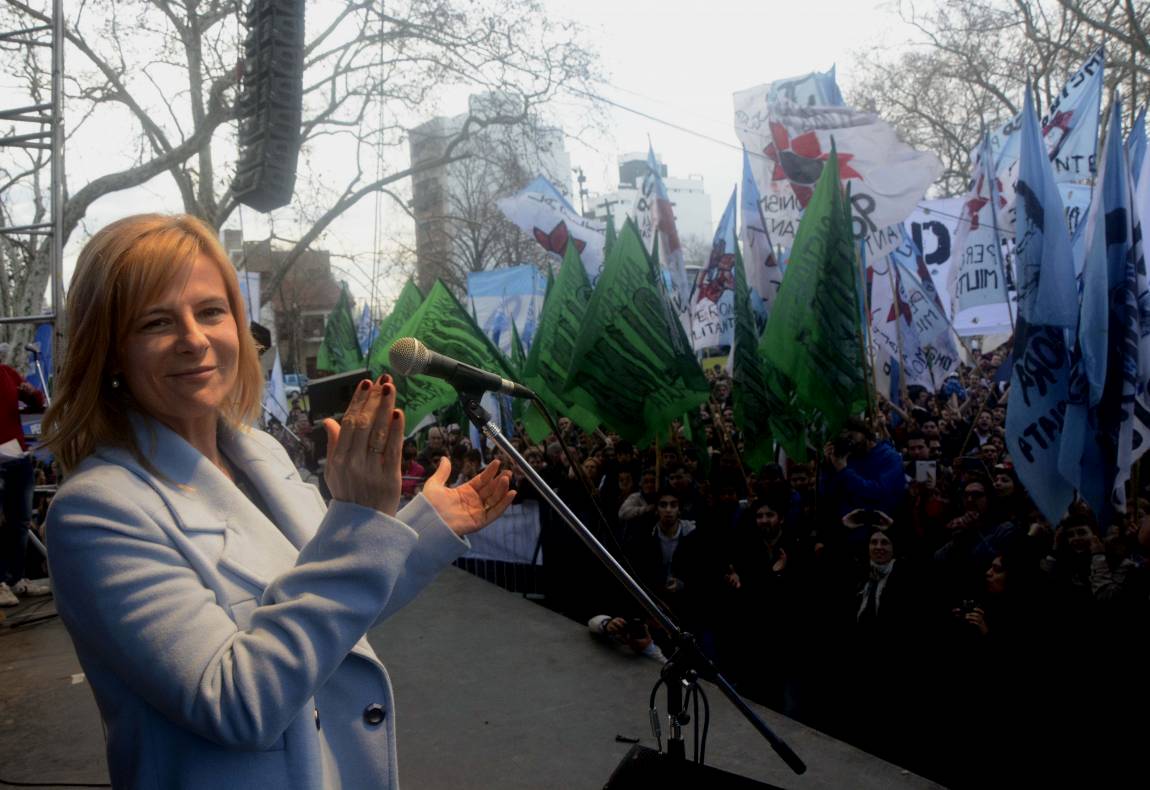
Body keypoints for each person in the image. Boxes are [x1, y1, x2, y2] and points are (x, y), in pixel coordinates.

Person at [39, 214, 515, 790]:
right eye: (156, 322)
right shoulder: (96, 511)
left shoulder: (262, 454)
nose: (194, 339)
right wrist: (360, 520)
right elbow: (236, 702)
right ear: (111, 353)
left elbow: (326, 612)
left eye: (211, 312)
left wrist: (425, 526)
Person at [0, 342, 49, 606]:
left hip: (15, 456)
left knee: (19, 521)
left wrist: (30, 393)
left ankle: (15, 579)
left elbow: (38, 400)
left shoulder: (7, 373)